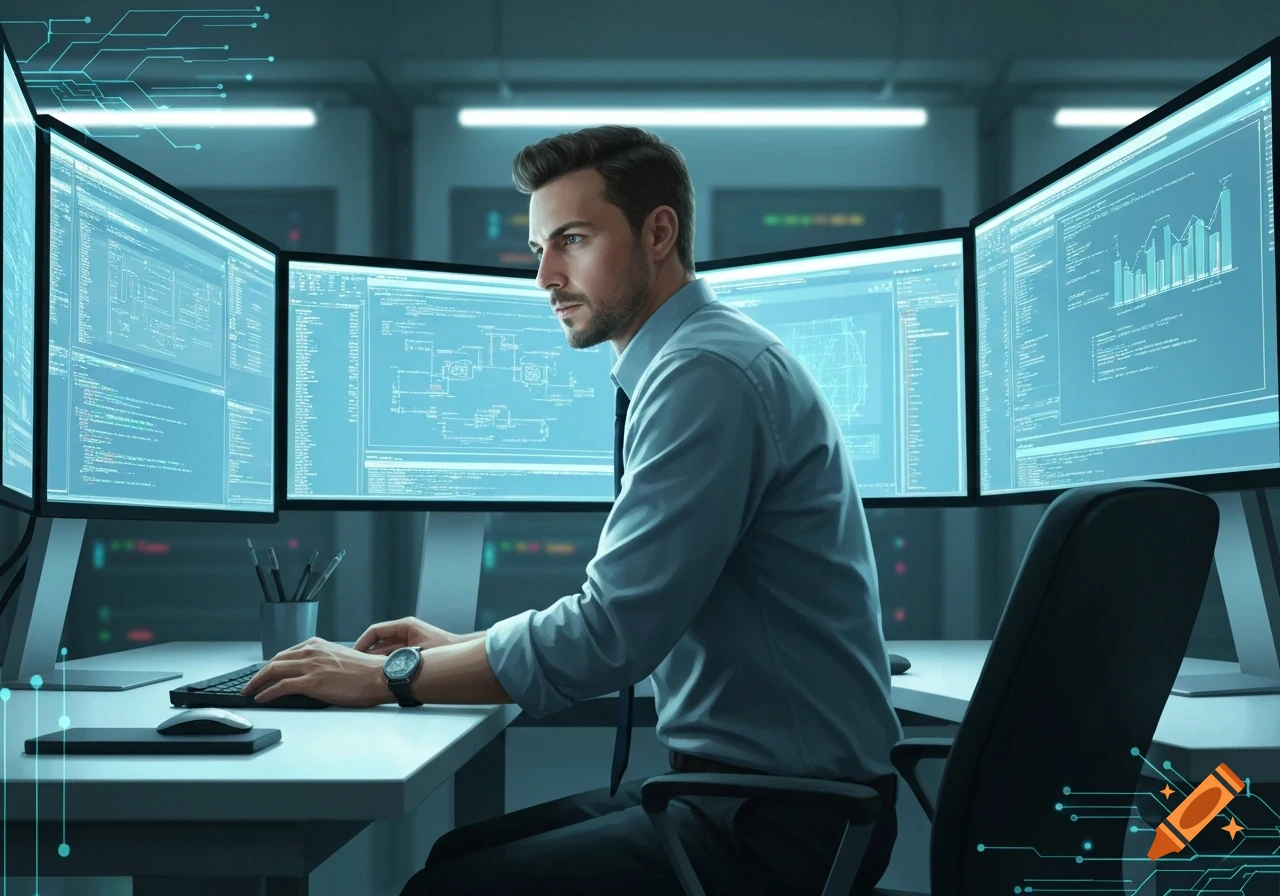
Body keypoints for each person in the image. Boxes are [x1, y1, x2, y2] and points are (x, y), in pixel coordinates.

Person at [241, 125, 904, 895]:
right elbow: (627, 616)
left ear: (659, 232)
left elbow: (611, 635)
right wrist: (464, 647)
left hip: (785, 825)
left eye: (574, 239)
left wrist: (392, 675)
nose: (546, 276)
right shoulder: (698, 359)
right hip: (747, 796)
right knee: (457, 860)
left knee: (445, 892)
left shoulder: (705, 375)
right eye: (538, 249)